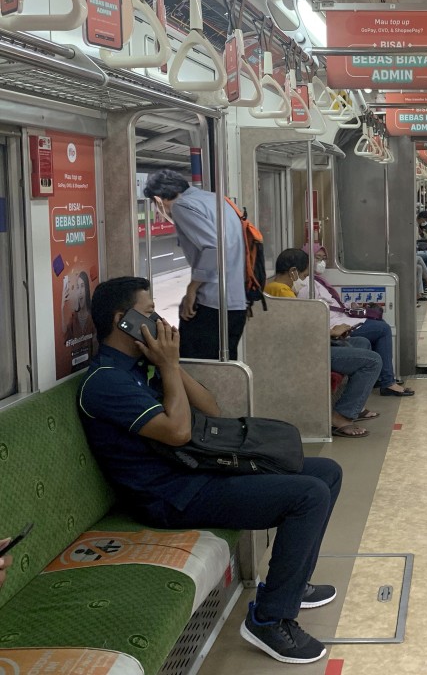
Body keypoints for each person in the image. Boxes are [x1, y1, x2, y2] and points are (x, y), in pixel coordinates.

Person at [78, 276, 342, 664]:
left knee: (326, 473)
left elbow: (210, 408)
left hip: (195, 472)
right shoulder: (105, 382)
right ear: (123, 320)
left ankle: (292, 585)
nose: (160, 325)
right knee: (308, 495)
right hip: (170, 496)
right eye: (150, 314)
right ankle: (269, 619)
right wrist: (166, 367)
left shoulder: (138, 367)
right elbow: (178, 431)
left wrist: (170, 364)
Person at [266, 249, 384, 436]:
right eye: (304, 275)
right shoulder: (281, 292)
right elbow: (298, 333)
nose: (304, 280)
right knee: (373, 361)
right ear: (294, 271)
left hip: (310, 344)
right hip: (306, 351)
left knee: (361, 342)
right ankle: (341, 416)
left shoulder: (278, 289)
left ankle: (354, 405)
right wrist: (330, 333)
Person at [143, 170, 247, 360]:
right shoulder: (215, 200)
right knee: (224, 369)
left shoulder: (182, 206)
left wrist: (192, 288)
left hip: (212, 304)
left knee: (196, 368)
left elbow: (214, 248)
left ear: (159, 200)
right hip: (236, 302)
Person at [301, 244, 415, 397]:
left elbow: (333, 305)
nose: (321, 263)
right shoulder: (307, 286)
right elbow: (317, 312)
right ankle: (387, 382)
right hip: (333, 326)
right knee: (383, 329)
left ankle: (382, 378)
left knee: (380, 326)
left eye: (323, 259)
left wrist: (350, 307)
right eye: (317, 258)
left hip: (340, 320)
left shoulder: (319, 281)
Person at [61, 270, 93, 340]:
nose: (80, 292)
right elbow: (65, 333)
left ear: (87, 289)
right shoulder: (74, 317)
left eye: (82, 286)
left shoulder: (93, 315)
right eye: (78, 287)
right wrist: (62, 307)